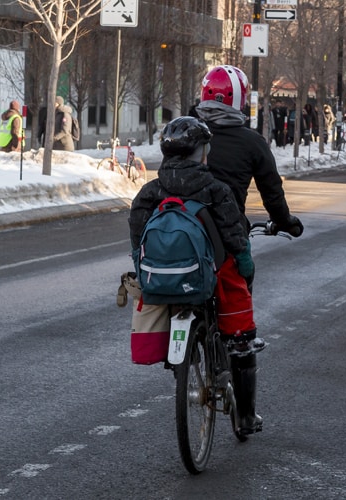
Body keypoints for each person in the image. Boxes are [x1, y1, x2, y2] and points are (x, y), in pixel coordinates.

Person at [195, 64, 303, 435]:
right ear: (240, 98)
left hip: (185, 237)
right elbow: (273, 195)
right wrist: (287, 222)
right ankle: (244, 416)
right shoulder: (251, 141)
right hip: (227, 241)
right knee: (241, 329)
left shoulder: (187, 131)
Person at [128, 118, 257, 428]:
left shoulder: (149, 193)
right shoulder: (215, 190)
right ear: (201, 153)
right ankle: (245, 416)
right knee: (240, 324)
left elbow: (137, 241)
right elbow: (234, 237)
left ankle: (179, 361)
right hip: (208, 273)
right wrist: (246, 265)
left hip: (160, 278)